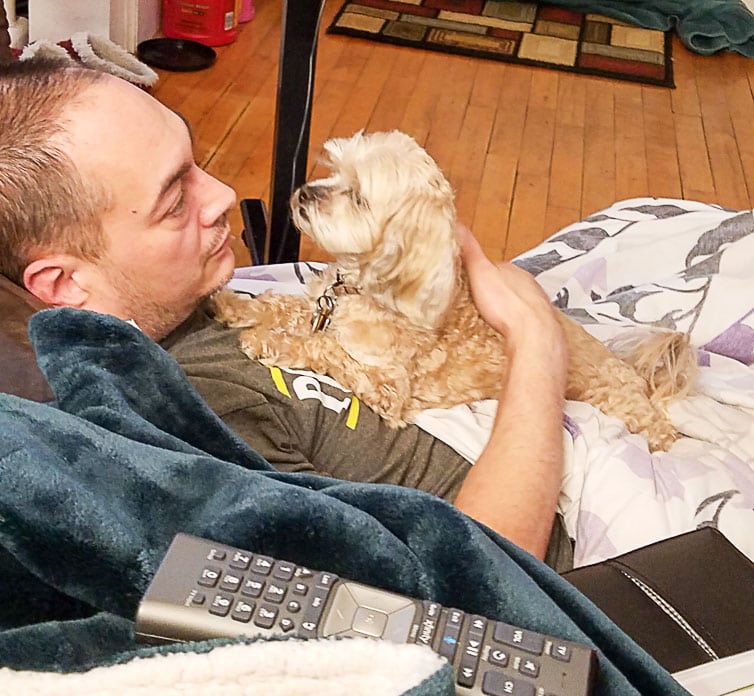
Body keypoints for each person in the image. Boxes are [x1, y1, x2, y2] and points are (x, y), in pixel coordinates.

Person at [0, 59, 569, 566]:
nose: (223, 193)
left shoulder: (182, 301)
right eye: (175, 202)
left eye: (198, 164)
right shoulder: (200, 410)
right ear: (65, 283)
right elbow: (478, 582)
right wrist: (535, 340)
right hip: (562, 545)